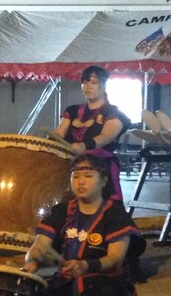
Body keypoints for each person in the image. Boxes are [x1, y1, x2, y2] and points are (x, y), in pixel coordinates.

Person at [22, 153, 151, 296]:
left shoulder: (115, 214)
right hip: (66, 282)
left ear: (104, 180)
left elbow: (115, 258)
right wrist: (33, 263)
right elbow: (39, 246)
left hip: (103, 282)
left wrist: (86, 265)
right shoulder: (61, 211)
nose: (80, 182)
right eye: (75, 176)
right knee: (33, 288)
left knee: (105, 295)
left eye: (88, 176)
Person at [54, 65, 130, 199]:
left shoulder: (113, 113)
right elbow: (58, 134)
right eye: (85, 82)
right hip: (71, 169)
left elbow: (106, 136)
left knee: (106, 211)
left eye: (94, 82)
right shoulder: (72, 111)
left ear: (104, 85)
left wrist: (84, 146)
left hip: (99, 168)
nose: (88, 86)